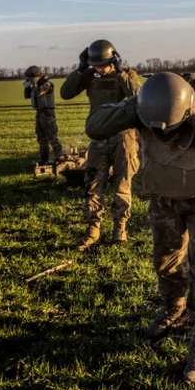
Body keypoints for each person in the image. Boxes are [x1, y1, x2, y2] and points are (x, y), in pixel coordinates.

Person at [86, 72, 195, 383]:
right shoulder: (143, 107)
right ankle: (174, 309)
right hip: (164, 202)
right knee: (166, 263)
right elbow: (95, 126)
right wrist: (133, 108)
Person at [60, 39, 143, 249]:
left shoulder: (127, 75)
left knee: (122, 186)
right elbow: (66, 93)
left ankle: (119, 229)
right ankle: (93, 229)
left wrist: (122, 72)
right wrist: (80, 70)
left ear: (113, 60)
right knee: (93, 185)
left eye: (102, 64)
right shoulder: (89, 76)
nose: (98, 69)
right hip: (99, 138)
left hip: (124, 138)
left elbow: (138, 97)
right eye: (94, 65)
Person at [23, 65, 63, 163]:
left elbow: (40, 93)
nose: (29, 80)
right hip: (39, 112)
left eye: (30, 78)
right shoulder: (35, 84)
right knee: (41, 137)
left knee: (52, 136)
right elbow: (27, 96)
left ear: (36, 76)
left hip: (47, 113)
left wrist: (34, 85)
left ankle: (59, 157)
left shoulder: (47, 84)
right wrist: (27, 88)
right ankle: (44, 159)